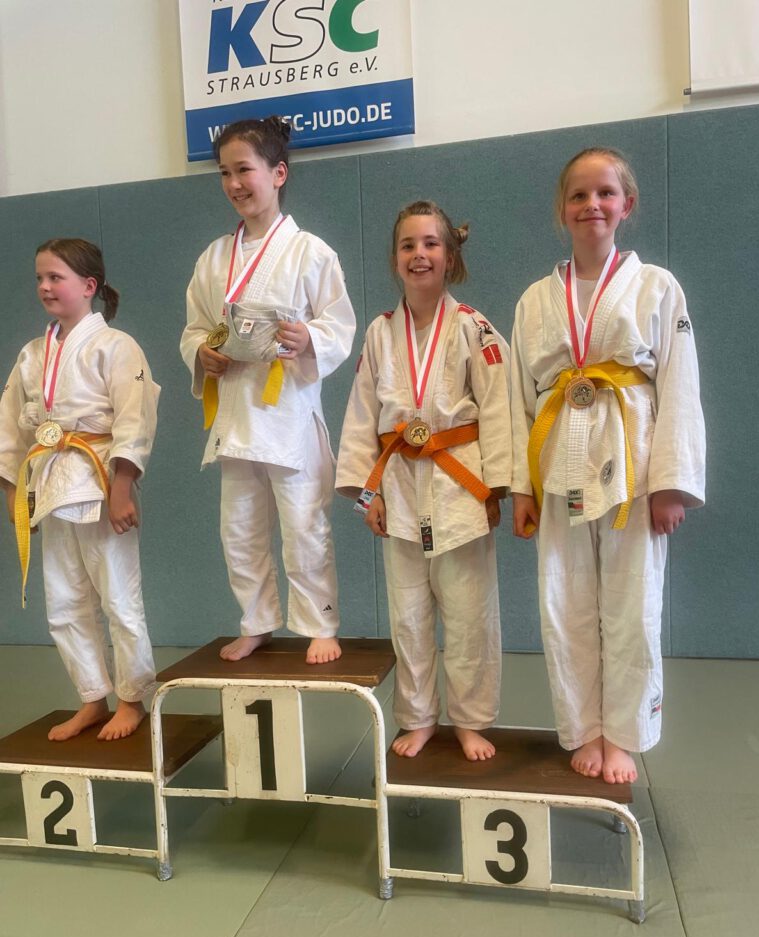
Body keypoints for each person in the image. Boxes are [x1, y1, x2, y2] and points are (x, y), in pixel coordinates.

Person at [510, 147, 705, 784]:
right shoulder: (535, 298)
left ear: (627, 205)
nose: (591, 204)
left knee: (632, 602)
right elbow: (517, 397)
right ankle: (584, 728)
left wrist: (672, 484)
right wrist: (521, 487)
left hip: (634, 465)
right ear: (561, 209)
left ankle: (623, 734)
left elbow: (679, 385)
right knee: (563, 600)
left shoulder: (658, 286)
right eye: (578, 195)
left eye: (605, 193)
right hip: (558, 458)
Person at [336, 200, 511, 760]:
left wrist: (498, 487)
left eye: (431, 244)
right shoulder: (380, 332)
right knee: (409, 616)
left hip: (460, 489)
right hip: (400, 489)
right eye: (408, 245)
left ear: (450, 256)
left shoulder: (474, 327)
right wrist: (366, 494)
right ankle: (417, 718)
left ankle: (470, 719)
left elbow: (500, 408)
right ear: (395, 259)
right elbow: (362, 417)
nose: (419, 254)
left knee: (469, 615)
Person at [180, 117, 355, 665]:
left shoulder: (310, 252)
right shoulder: (214, 258)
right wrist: (201, 353)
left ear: (278, 173)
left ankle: (319, 622)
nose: (234, 183)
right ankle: (255, 620)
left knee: (304, 524)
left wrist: (310, 338)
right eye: (224, 173)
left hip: (288, 413)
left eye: (244, 170)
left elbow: (340, 325)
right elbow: (194, 328)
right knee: (240, 530)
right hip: (236, 414)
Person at [0, 238, 160, 741]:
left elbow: (135, 419)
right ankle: (92, 697)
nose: (45, 287)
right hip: (49, 485)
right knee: (65, 602)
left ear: (89, 286)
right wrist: (12, 492)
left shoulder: (116, 346)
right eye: (40, 278)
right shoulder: (32, 354)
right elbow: (10, 428)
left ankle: (132, 698)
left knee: (118, 597)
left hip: (98, 480)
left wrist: (122, 488)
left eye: (56, 277)